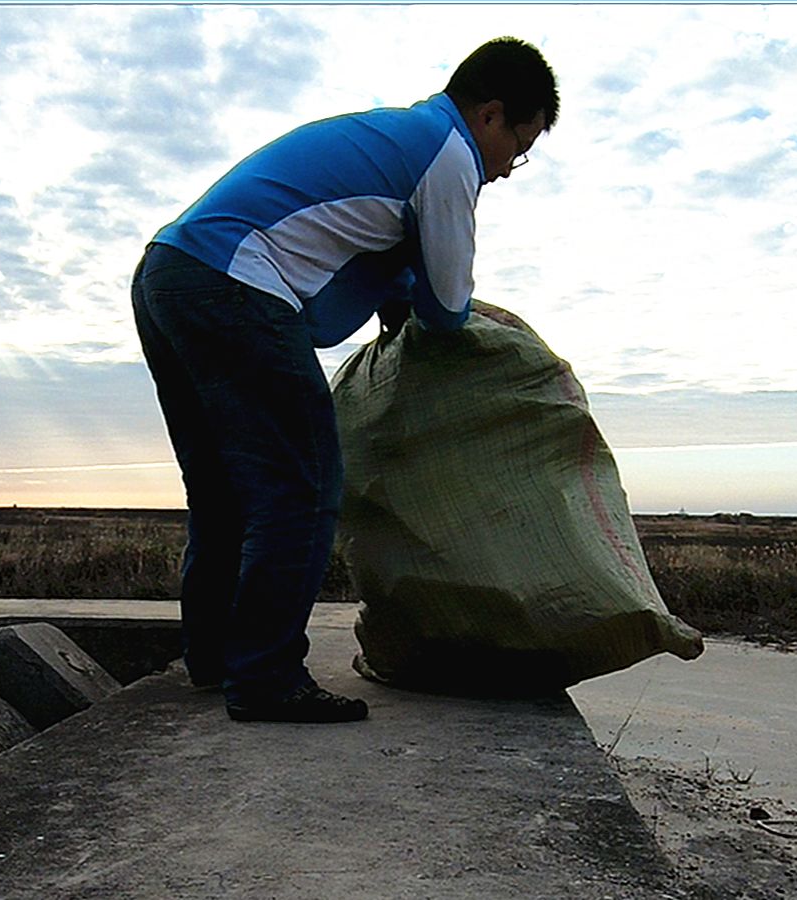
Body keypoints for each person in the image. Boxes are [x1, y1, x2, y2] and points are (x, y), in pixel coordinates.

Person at [131, 36, 559, 723]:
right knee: (302, 487)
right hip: (235, 282)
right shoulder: (448, 154)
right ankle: (266, 677)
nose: (509, 168)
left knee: (223, 493)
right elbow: (448, 307)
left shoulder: (397, 137)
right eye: (520, 145)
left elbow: (378, 267)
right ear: (490, 115)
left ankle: (214, 658)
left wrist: (401, 286)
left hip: (169, 274)